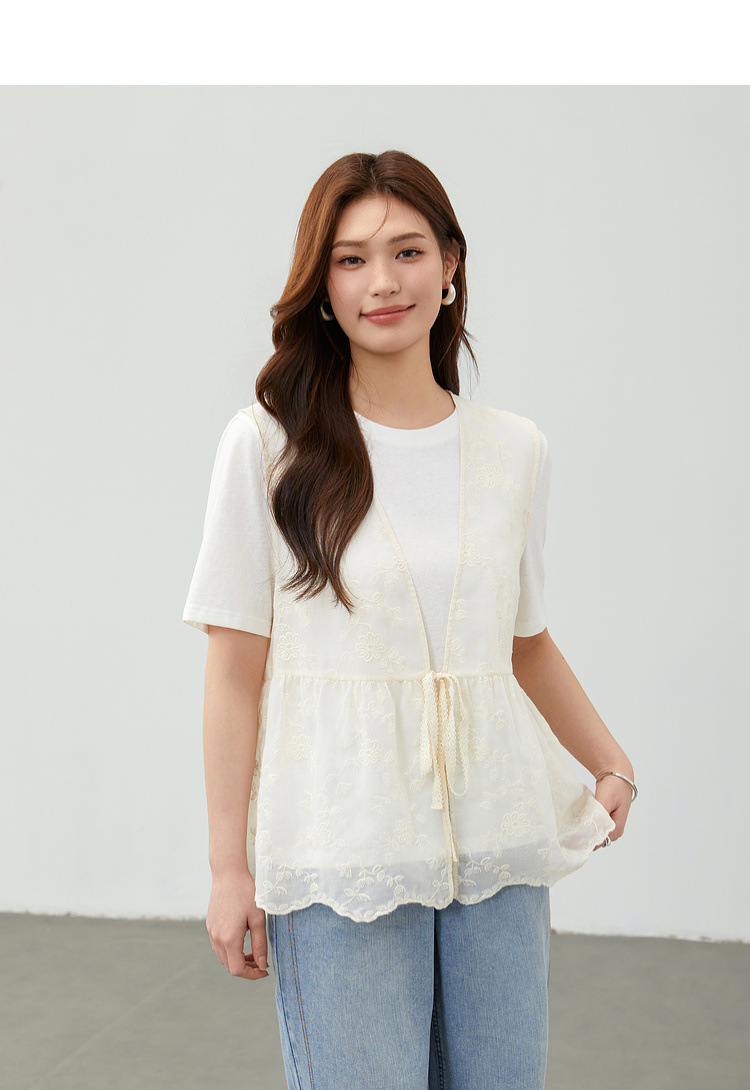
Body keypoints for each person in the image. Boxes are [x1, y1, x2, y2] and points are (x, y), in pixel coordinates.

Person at [182, 149, 637, 1089]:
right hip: (341, 850)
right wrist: (230, 871)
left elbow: (523, 640)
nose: (382, 282)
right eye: (350, 260)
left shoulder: (513, 450)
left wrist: (610, 762)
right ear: (322, 285)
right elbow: (233, 671)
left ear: (450, 263)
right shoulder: (267, 447)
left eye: (407, 252)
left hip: (499, 842)